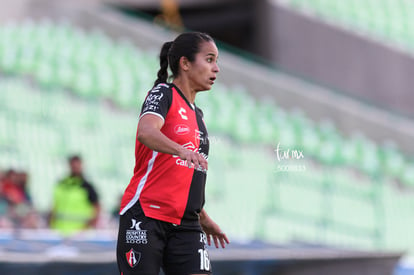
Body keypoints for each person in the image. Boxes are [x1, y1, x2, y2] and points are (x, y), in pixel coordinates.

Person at [117, 32, 229, 275]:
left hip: (187, 225)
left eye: (216, 61)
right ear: (185, 63)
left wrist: (202, 216)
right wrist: (180, 149)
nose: (216, 68)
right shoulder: (162, 94)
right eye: (209, 59)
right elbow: (146, 132)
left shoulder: (198, 115)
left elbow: (184, 174)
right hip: (146, 216)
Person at [49, 155, 100, 235]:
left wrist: (86, 228)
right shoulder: (61, 184)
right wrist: (52, 226)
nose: (75, 167)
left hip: (81, 234)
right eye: (73, 165)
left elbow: (97, 209)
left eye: (77, 165)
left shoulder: (87, 187)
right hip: (60, 232)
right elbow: (54, 207)